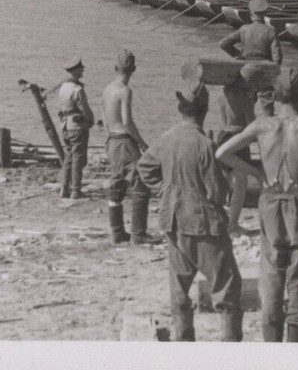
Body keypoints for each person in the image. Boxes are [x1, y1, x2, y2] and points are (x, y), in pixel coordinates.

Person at [216, 69, 298, 342]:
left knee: (272, 273)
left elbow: (222, 152)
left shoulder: (263, 125)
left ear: (276, 96)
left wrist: (254, 172)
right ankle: (295, 348)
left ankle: (272, 346)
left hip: (271, 199)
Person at [138, 74, 244, 342]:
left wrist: (167, 187)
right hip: (203, 224)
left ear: (180, 108)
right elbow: (216, 193)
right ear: (205, 110)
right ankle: (232, 348)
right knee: (227, 287)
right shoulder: (205, 145)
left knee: (179, 288)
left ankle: (184, 341)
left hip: (174, 221)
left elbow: (144, 167)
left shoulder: (167, 138)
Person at [102, 50, 153, 244]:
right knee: (141, 185)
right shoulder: (125, 90)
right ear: (134, 69)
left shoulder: (107, 89)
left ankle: (117, 232)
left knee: (117, 184)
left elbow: (106, 120)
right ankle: (138, 234)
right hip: (123, 140)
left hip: (111, 141)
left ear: (116, 68)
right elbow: (127, 122)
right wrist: (142, 144)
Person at [209, 62, 265, 236]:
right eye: (255, 82)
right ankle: (233, 225)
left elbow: (234, 115)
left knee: (225, 181)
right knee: (241, 183)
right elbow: (251, 124)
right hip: (238, 141)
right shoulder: (244, 98)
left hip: (223, 136)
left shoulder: (224, 93)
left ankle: (219, 220)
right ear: (248, 80)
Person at [58, 59, 97, 200]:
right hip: (77, 127)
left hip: (65, 126)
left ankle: (64, 188)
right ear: (74, 71)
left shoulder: (63, 88)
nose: (83, 71)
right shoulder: (77, 90)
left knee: (68, 157)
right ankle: (76, 190)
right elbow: (84, 109)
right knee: (78, 159)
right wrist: (91, 121)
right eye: (81, 69)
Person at [219, 0, 283, 65]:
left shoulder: (244, 29)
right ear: (265, 13)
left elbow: (223, 43)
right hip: (264, 66)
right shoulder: (271, 31)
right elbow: (277, 57)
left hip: (245, 65)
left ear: (251, 14)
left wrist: (239, 55)